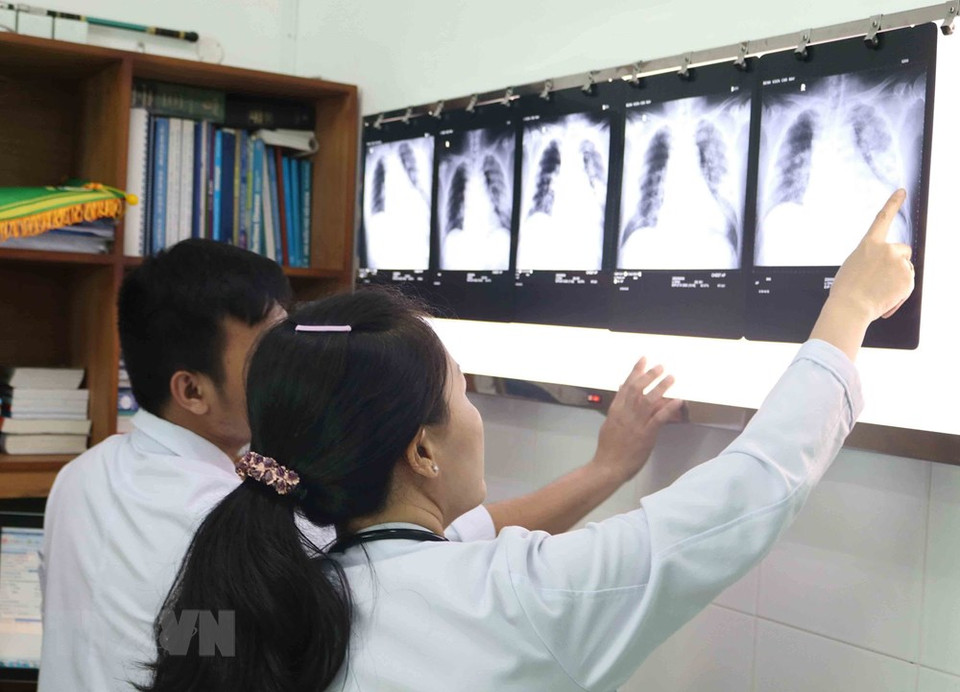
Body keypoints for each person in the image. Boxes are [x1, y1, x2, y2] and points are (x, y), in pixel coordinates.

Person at [141, 189, 914, 692]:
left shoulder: (277, 592)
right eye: (463, 395)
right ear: (422, 450)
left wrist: (607, 467)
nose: (475, 415)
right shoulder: (517, 599)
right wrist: (848, 307)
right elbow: (746, 494)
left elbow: (445, 550)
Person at [38, 239, 675, 691]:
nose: (295, 365)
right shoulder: (243, 517)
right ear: (192, 390)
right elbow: (441, 538)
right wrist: (606, 470)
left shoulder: (81, 477)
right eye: (269, 354)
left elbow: (160, 631)